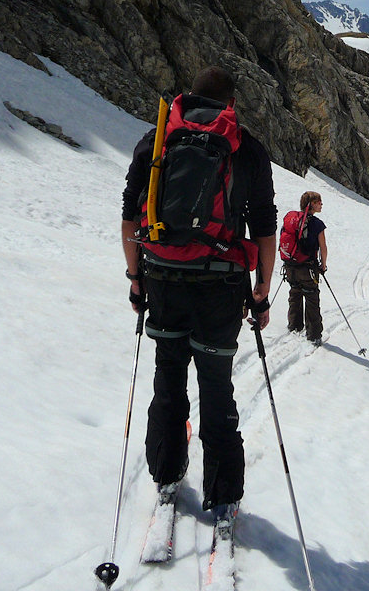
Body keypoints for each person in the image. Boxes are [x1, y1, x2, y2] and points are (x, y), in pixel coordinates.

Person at [120, 66, 276, 512]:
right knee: (216, 387)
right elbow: (264, 227)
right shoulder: (244, 146)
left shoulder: (156, 140)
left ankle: (166, 472)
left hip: (164, 281)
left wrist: (136, 282)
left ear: (189, 96)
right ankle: (223, 492)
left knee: (168, 380)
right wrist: (260, 291)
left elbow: (131, 218)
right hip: (221, 287)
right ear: (230, 103)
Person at [285, 191, 327, 344]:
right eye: (318, 202)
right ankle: (314, 335)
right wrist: (323, 265)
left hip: (290, 266)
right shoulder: (317, 224)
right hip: (308, 268)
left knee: (294, 293)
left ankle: (294, 326)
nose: (321, 204)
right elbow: (323, 247)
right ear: (311, 204)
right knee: (311, 298)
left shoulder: (291, 219)